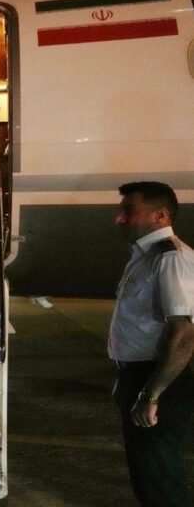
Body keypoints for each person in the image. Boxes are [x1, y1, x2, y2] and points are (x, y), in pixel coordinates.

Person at [108, 181, 194, 507]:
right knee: (146, 474)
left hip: (159, 380)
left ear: (160, 215)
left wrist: (151, 394)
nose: (119, 218)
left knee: (159, 476)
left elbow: (183, 335)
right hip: (139, 377)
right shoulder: (144, 256)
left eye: (129, 210)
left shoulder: (171, 259)